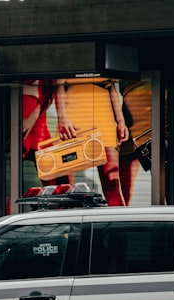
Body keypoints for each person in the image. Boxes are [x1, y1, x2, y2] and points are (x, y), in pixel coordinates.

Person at [53, 78, 129, 206]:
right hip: (73, 116)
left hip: (104, 117)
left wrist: (121, 122)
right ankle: (66, 224)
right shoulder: (68, 60)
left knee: (112, 184)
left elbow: (111, 88)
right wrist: (62, 118)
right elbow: (58, 84)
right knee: (65, 187)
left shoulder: (103, 61)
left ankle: (120, 225)